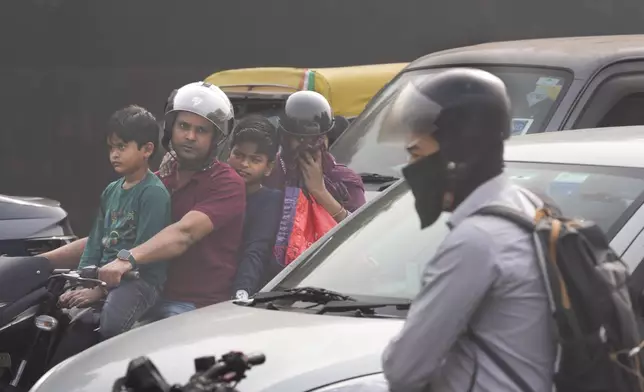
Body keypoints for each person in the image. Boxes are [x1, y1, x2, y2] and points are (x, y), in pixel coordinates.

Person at [378, 68, 555, 392]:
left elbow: (404, 368)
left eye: (417, 153)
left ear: (456, 153)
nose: (412, 168)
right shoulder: (527, 206)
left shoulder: (478, 241)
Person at [44, 82, 246, 320]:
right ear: (171, 129)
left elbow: (184, 233)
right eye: (184, 126)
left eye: (201, 130)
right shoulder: (154, 183)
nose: (190, 136)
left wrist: (126, 260)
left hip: (191, 305)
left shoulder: (226, 183)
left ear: (216, 138)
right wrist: (37, 263)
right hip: (142, 294)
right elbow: (112, 235)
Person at [56, 105, 170, 340]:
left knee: (111, 325)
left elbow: (144, 256)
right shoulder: (111, 191)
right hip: (105, 275)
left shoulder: (153, 194)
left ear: (147, 149)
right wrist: (81, 280)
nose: (114, 154)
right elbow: (96, 240)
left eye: (122, 147)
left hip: (139, 280)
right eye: (111, 147)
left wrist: (99, 291)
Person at [266, 91, 366, 270]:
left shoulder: (344, 180)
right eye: (300, 139)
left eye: (318, 138)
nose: (310, 145)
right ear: (285, 138)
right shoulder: (269, 174)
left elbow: (362, 235)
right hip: (274, 276)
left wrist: (319, 191)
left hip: (330, 271)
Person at [227, 115, 283, 300]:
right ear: (229, 153)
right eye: (239, 155)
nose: (244, 164)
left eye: (255, 159)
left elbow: (256, 250)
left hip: (238, 293)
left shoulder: (270, 201)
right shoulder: (215, 191)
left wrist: (241, 293)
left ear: (269, 167)